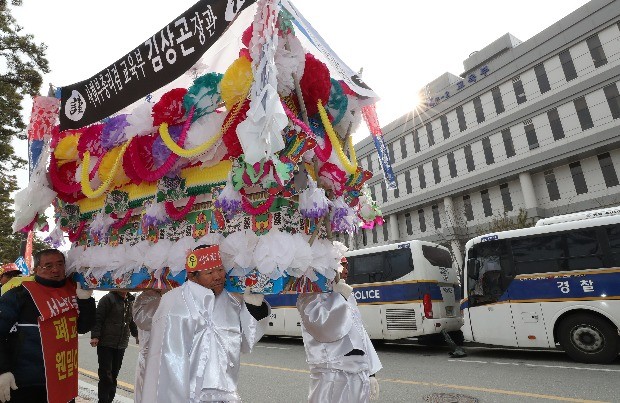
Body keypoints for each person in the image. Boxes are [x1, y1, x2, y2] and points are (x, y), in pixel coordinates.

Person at [141, 244, 270, 402]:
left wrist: (255, 309)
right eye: (209, 272)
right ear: (192, 276)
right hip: (188, 397)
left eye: (221, 270)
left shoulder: (233, 302)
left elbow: (245, 343)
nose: (217, 276)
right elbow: (166, 362)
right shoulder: (174, 304)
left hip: (226, 395)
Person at [0, 248, 96, 403]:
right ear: (36, 269)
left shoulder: (73, 292)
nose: (56, 270)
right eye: (48, 266)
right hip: (25, 383)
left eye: (60, 264)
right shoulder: (19, 295)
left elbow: (84, 327)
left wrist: (85, 301)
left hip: (62, 379)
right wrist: (2, 370)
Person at [297, 257, 382, 403]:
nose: (346, 270)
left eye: (346, 265)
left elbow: (360, 332)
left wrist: (371, 373)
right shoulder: (310, 296)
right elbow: (324, 327)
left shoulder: (345, 293)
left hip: (359, 374)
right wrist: (339, 296)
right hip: (332, 377)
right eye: (341, 265)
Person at [90, 291, 138, 403]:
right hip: (106, 343)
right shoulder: (107, 299)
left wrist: (136, 334)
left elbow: (131, 320)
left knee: (114, 375)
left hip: (121, 344)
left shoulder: (130, 300)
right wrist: (95, 336)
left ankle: (109, 400)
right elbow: (98, 318)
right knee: (105, 375)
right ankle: (103, 400)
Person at [132, 289, 163, 403]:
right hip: (149, 355)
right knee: (147, 391)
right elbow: (143, 320)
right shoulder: (145, 297)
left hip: (167, 356)